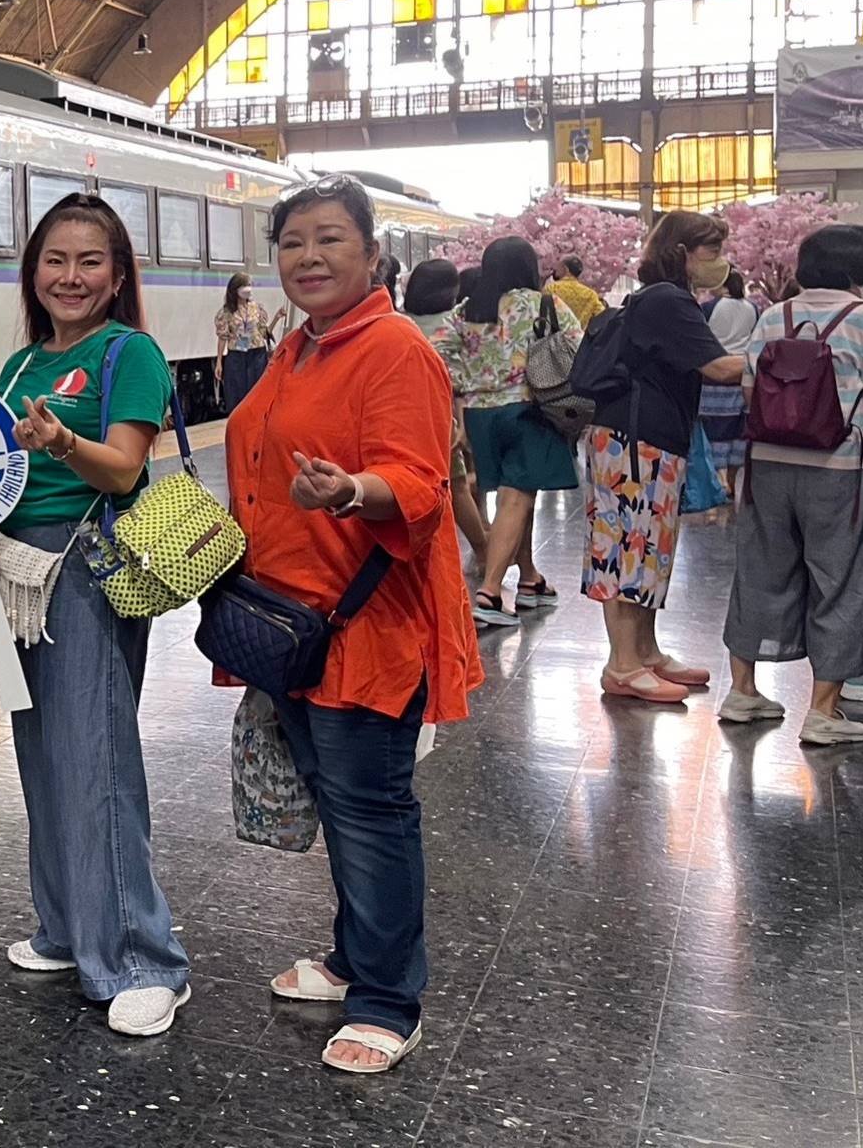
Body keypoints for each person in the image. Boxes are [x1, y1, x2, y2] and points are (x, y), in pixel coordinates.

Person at [221, 175, 483, 1074]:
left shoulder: (394, 348)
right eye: (293, 242)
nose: (309, 257)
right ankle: (351, 956)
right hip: (296, 623)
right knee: (339, 798)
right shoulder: (301, 345)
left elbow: (419, 481)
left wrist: (353, 491)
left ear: (374, 254)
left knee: (370, 807)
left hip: (367, 622)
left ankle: (388, 998)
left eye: (330, 239)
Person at [0, 192, 191, 1037]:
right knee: (40, 752)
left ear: (116, 276)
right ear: (33, 270)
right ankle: (68, 927)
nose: (70, 276)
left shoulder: (128, 351)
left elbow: (123, 470)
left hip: (83, 567)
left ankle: (147, 960)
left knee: (96, 756)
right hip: (16, 571)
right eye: (55, 260)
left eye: (90, 261)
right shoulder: (19, 362)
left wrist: (61, 442)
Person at [720, 226, 863, 745]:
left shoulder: (773, 317)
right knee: (843, 580)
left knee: (760, 569)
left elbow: (749, 395)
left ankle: (743, 691)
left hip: (767, 465)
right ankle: (824, 710)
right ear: (857, 267)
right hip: (843, 472)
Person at [584, 212, 747, 703]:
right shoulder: (670, 302)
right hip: (635, 439)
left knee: (648, 546)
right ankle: (623, 664)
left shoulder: (665, 300)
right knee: (627, 548)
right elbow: (718, 367)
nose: (719, 263)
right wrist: (779, 355)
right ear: (682, 254)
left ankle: (646, 652)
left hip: (642, 435)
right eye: (711, 252)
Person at [443, 237, 582, 626]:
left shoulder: (468, 309)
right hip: (528, 408)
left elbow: (440, 355)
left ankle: (531, 578)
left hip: (479, 416)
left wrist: (465, 393)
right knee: (516, 498)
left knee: (516, 496)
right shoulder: (545, 304)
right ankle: (489, 592)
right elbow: (577, 347)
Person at [402, 259, 488, 561]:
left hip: (404, 413)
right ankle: (483, 551)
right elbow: (455, 383)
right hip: (441, 414)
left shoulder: (400, 320)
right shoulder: (453, 323)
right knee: (459, 486)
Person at [696, 269, 756, 501]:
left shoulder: (710, 308)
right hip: (742, 372)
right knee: (736, 429)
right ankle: (732, 478)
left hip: (715, 372)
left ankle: (719, 480)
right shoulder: (752, 308)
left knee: (715, 430)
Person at [212, 272, 274, 415]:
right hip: (236, 355)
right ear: (235, 289)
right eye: (244, 286)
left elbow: (264, 331)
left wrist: (276, 317)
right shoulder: (227, 312)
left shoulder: (256, 308)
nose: (248, 289)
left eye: (249, 285)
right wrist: (219, 361)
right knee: (237, 394)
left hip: (257, 354)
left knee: (257, 392)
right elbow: (222, 337)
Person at [545, 254, 607, 326]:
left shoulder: (552, 288)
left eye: (558, 267)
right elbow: (602, 316)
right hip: (580, 336)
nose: (555, 270)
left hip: (555, 335)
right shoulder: (590, 294)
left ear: (566, 269)